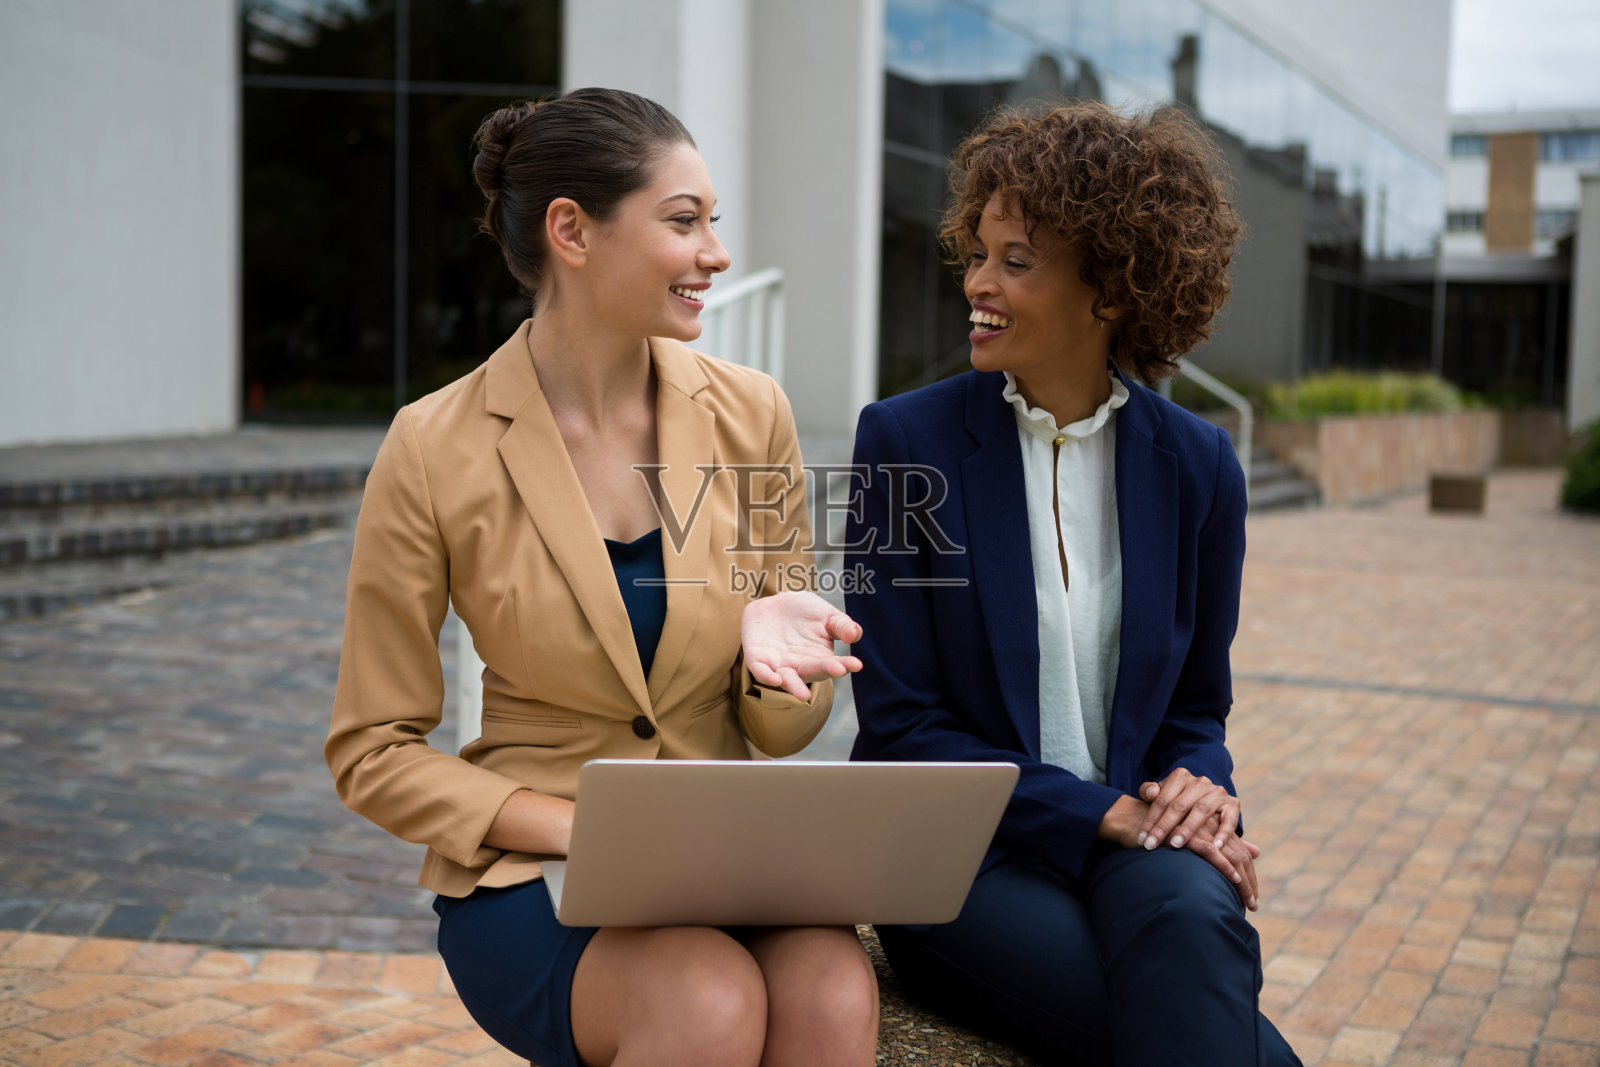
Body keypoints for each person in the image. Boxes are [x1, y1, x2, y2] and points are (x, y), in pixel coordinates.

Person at [325, 88, 878, 1067]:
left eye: (713, 222)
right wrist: (582, 829)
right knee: (704, 997)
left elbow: (782, 734)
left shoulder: (753, 414)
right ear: (572, 231)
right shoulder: (433, 444)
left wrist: (776, 670)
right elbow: (373, 747)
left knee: (833, 986)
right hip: (534, 860)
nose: (716, 253)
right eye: (684, 221)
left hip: (719, 857)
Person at [845, 103, 1301, 1065]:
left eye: (1015, 261)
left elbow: (1195, 706)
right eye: (978, 254)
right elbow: (900, 724)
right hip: (961, 854)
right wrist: (1106, 813)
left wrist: (1200, 790)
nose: (977, 282)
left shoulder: (1199, 466)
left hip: (1136, 832)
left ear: (1113, 288)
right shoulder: (905, 444)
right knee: (1209, 1016)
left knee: (1196, 923)